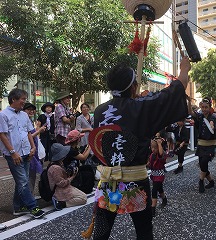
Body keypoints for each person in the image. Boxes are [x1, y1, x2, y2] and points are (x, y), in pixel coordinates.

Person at [91, 56, 191, 239]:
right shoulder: (141, 106)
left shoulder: (99, 111)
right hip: (135, 181)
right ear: (133, 87)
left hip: (108, 180)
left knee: (101, 232)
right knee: (144, 232)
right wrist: (184, 69)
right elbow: (175, 91)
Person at [0, 89, 45, 218]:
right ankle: (32, 206)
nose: (24, 102)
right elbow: (2, 135)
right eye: (22, 99)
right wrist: (13, 153)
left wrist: (32, 148)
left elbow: (29, 132)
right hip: (14, 154)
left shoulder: (24, 115)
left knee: (22, 181)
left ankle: (18, 207)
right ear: (13, 99)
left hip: (27, 152)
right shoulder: (3, 115)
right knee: (23, 181)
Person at [191, 97, 216, 193]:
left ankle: (201, 181)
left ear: (209, 107)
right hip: (201, 144)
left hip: (210, 145)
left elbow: (212, 123)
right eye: (202, 107)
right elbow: (191, 113)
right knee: (203, 165)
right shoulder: (200, 116)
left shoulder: (213, 117)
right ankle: (211, 181)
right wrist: (188, 101)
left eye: (206, 107)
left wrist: (212, 125)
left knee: (204, 162)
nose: (204, 109)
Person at [48, 143, 87, 210]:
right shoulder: (55, 168)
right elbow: (62, 183)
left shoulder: (58, 163)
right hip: (60, 190)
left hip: (65, 186)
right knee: (83, 198)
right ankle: (61, 203)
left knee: (83, 196)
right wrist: (72, 177)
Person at [23, 102, 46, 194]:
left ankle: (30, 195)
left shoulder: (29, 121)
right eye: (28, 109)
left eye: (32, 110)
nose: (31, 111)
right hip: (28, 151)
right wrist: (39, 130)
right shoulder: (23, 121)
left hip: (33, 151)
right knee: (29, 175)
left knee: (32, 175)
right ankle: (27, 198)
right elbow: (28, 137)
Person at [148, 138, 167, 217]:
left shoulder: (161, 154)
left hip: (159, 174)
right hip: (154, 174)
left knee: (154, 190)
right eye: (152, 148)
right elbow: (149, 162)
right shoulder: (152, 155)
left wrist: (159, 144)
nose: (153, 149)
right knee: (159, 188)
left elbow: (160, 154)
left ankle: (153, 208)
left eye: (155, 148)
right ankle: (164, 199)